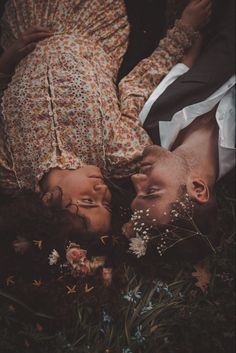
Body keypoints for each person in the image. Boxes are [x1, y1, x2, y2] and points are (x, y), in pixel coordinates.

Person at [0, 0, 211, 237]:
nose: (102, 190)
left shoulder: (10, 173)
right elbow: (137, 87)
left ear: (47, 201)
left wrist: (5, 64)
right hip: (93, 22)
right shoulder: (116, 154)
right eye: (107, 204)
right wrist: (183, 30)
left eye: (89, 200)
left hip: (27, 23)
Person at [128, 1, 235, 261]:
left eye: (135, 193)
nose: (135, 180)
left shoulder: (152, 119)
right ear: (198, 188)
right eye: (151, 191)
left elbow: (191, 49)